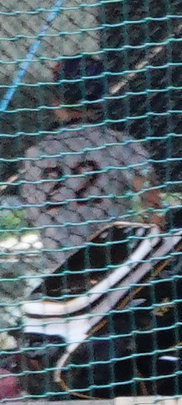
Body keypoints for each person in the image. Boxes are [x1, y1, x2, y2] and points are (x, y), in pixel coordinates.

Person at [16, 54, 156, 266]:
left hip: (60, 265)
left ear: (56, 102)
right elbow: (151, 199)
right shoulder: (117, 142)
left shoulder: (36, 153)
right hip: (112, 259)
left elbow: (34, 212)